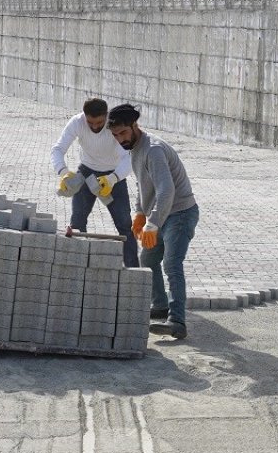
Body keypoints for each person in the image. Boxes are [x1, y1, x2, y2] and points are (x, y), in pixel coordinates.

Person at [107, 103, 199, 340]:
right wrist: (139, 212)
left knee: (172, 263)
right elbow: (142, 186)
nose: (120, 139)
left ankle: (177, 321)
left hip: (180, 213)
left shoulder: (153, 150)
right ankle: (160, 305)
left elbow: (166, 191)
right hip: (162, 215)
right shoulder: (135, 149)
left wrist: (153, 222)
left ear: (134, 126)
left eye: (123, 133)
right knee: (147, 258)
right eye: (115, 135)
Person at [51, 98, 138, 268]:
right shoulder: (77, 122)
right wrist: (63, 172)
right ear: (84, 116)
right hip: (85, 173)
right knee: (77, 223)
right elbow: (58, 149)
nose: (95, 126)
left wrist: (112, 179)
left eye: (99, 122)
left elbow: (127, 158)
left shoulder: (115, 125)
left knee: (125, 225)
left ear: (106, 116)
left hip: (114, 177)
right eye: (90, 122)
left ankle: (134, 269)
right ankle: (77, 267)